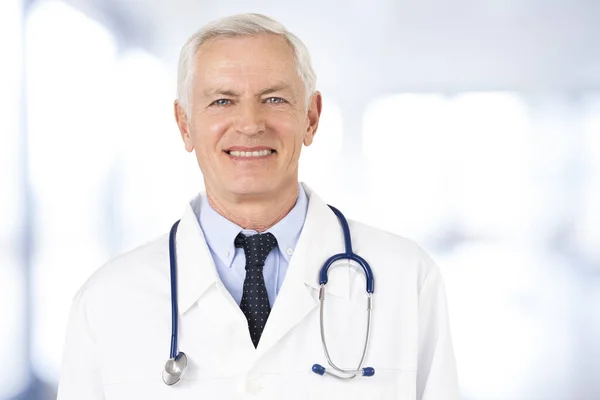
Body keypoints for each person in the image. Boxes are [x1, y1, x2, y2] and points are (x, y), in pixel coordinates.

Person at [57, 13, 459, 399]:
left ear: (311, 119)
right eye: (222, 102)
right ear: (184, 125)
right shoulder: (106, 302)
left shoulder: (408, 280)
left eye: (274, 98)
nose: (250, 124)